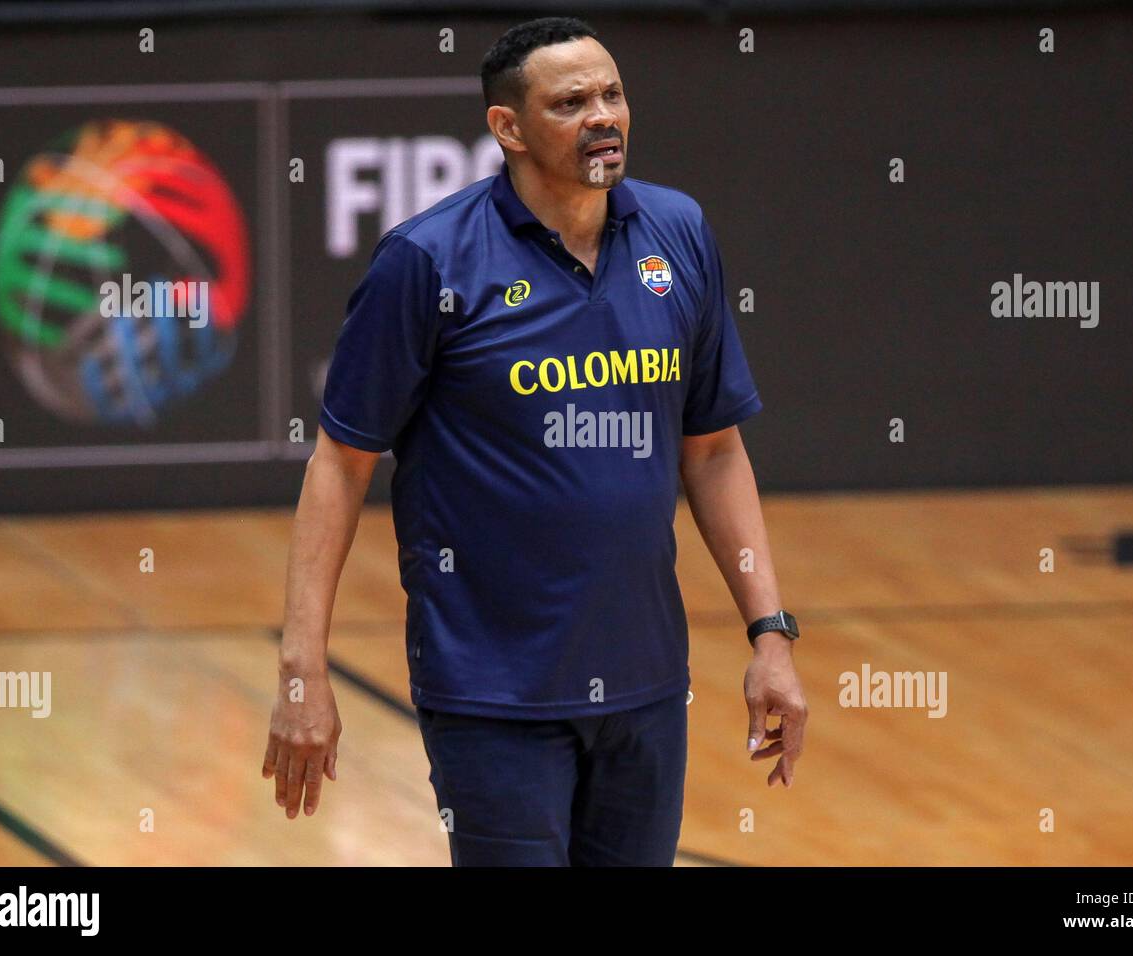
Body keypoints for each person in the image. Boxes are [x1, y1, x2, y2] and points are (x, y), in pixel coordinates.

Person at [263, 16, 807, 866]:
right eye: (570, 102)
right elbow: (339, 464)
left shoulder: (679, 233)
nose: (603, 116)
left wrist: (768, 634)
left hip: (647, 685)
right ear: (507, 128)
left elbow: (713, 449)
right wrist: (304, 669)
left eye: (612, 94)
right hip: (492, 693)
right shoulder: (427, 262)